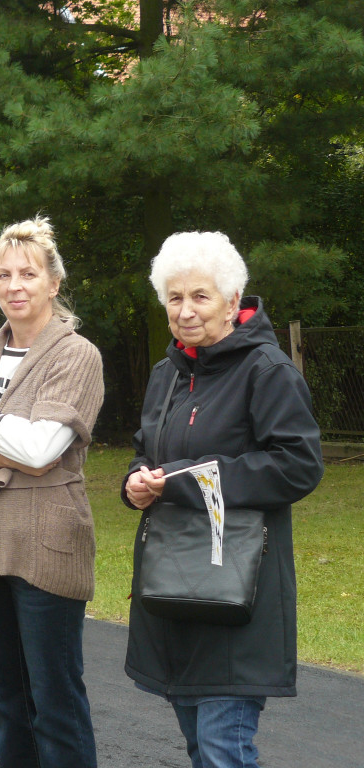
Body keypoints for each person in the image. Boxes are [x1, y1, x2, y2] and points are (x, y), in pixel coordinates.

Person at [122, 231, 324, 768]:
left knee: (222, 751)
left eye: (200, 297)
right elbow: (147, 452)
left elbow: (299, 465)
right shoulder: (166, 374)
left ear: (234, 301)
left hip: (239, 593)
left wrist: (188, 481)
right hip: (176, 589)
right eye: (174, 298)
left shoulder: (268, 371)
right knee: (200, 747)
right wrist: (137, 481)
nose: (185, 311)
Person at [0, 216, 104, 768]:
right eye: (2, 275)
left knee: (54, 701)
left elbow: (41, 451)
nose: (14, 286)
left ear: (53, 282)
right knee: (5, 700)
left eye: (27, 274)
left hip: (47, 541)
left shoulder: (77, 355)